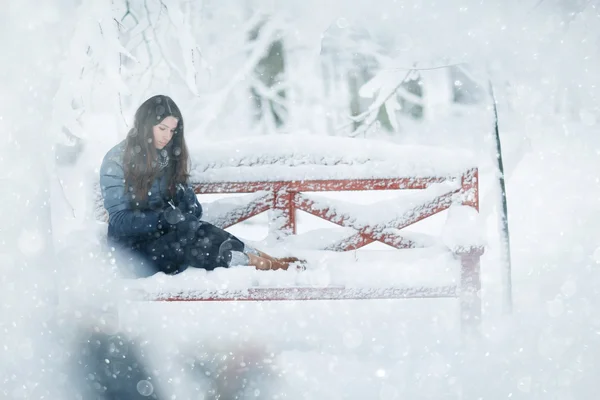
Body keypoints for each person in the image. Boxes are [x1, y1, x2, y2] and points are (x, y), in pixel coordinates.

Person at [99, 95, 302, 277]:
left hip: (165, 239)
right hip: (132, 254)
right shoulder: (117, 160)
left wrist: (182, 194)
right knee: (190, 243)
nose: (167, 137)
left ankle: (267, 259)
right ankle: (261, 265)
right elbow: (119, 220)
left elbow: (193, 213)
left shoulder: (165, 156)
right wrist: (163, 219)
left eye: (172, 130)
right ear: (145, 125)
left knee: (201, 231)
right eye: (162, 129)